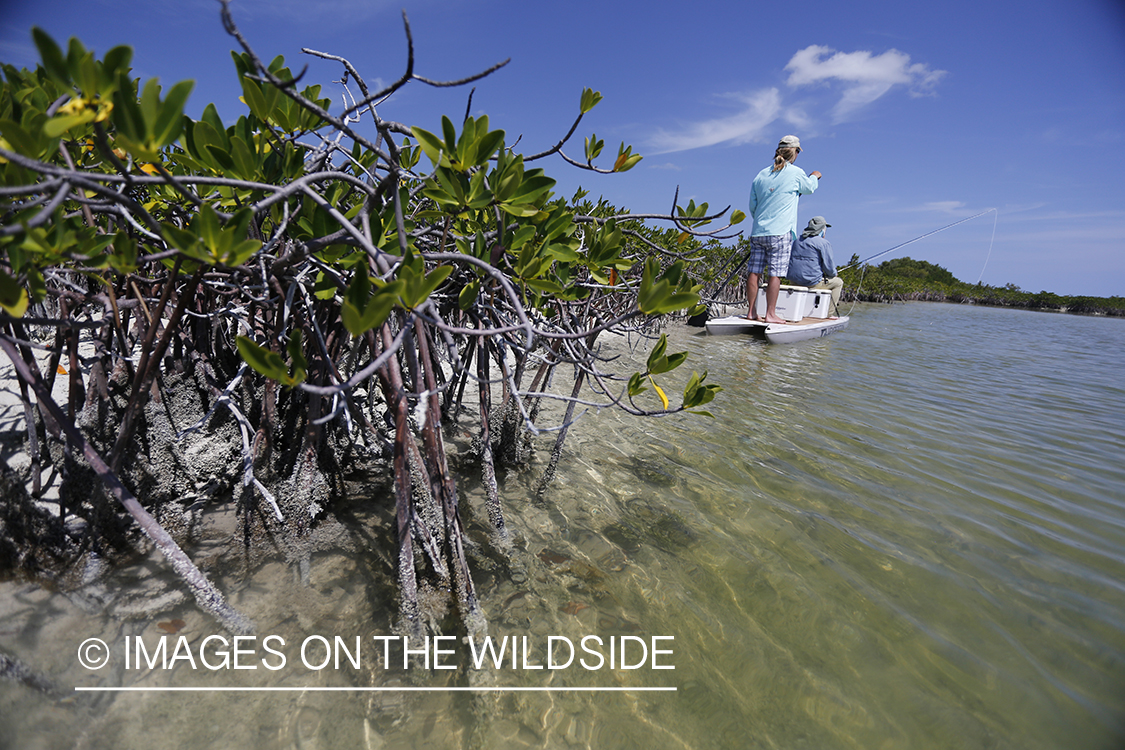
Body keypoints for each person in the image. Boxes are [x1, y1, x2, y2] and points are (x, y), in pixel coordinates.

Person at [745, 135, 821, 323]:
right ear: (795, 152)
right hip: (781, 233)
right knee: (775, 274)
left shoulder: (760, 175)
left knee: (754, 272)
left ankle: (751, 312)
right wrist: (815, 176)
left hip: (758, 231)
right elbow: (809, 188)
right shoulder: (796, 173)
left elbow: (752, 206)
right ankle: (770, 314)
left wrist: (762, 222)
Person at [788, 216, 843, 317]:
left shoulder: (797, 241)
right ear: (821, 229)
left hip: (793, 280)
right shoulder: (823, 243)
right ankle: (828, 314)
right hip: (811, 282)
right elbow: (829, 268)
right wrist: (834, 273)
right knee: (838, 283)